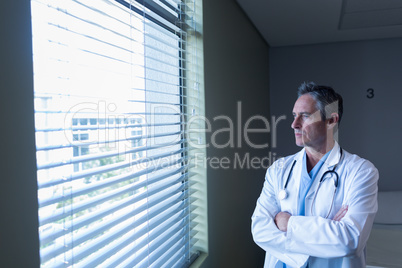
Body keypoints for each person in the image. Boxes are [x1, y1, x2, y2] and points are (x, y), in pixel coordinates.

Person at [251, 82, 379, 268]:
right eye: (294, 116)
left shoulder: (361, 172)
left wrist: (288, 223)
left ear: (331, 121)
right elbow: (260, 230)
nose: (294, 124)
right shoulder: (279, 169)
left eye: (305, 116)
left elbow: (350, 240)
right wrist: (326, 232)